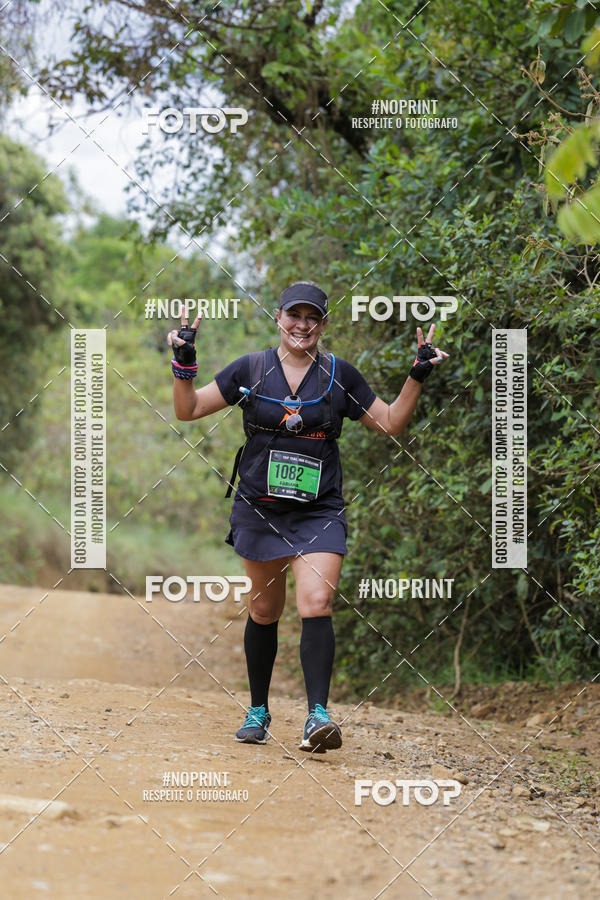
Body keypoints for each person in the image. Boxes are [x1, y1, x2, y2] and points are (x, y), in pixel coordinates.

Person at [167, 281, 448, 753]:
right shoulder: (250, 369)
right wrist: (184, 363)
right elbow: (188, 409)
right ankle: (258, 709)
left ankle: (318, 715)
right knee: (263, 610)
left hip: (319, 509)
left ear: (322, 324)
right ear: (278, 317)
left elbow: (390, 423)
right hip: (260, 508)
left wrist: (417, 375)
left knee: (316, 602)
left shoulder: (340, 376)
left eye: (311, 317)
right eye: (294, 316)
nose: (302, 325)